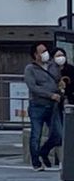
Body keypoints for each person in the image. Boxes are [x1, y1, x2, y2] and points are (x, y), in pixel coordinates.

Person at [24, 42, 63, 171]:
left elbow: (58, 79)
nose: (45, 53)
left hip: (53, 106)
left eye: (46, 50)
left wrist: (60, 88)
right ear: (35, 55)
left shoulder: (52, 66)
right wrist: (50, 95)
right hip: (37, 106)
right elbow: (33, 87)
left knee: (58, 134)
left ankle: (44, 151)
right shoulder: (30, 69)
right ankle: (36, 162)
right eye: (42, 51)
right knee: (36, 134)